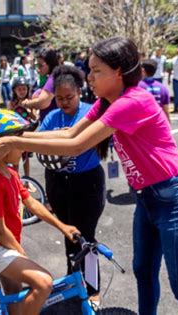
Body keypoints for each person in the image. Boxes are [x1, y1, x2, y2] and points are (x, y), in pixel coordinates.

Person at [0, 37, 178, 315]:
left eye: (97, 71)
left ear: (119, 71)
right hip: (148, 198)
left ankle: (107, 297)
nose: (90, 77)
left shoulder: (132, 101)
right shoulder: (107, 102)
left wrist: (17, 144)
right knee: (143, 271)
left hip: (176, 199)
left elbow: (76, 146)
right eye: (90, 70)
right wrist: (14, 134)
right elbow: (69, 133)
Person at [0, 109, 80, 315]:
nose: (23, 148)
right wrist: (21, 255)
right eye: (18, 143)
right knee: (44, 283)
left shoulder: (10, 172)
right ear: (1, 147)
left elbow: (31, 202)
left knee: (15, 302)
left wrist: (62, 226)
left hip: (6, 245)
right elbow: (0, 231)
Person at [38, 65, 105, 305]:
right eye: (59, 98)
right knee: (68, 233)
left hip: (87, 184)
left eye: (69, 97)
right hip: (58, 182)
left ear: (80, 92)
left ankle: (92, 288)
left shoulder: (91, 114)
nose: (64, 102)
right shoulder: (52, 117)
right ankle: (74, 280)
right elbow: (39, 142)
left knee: (86, 236)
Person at [8, 77, 36, 177]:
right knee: (15, 159)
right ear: (14, 91)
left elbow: (35, 117)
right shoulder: (12, 103)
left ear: (28, 89)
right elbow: (8, 117)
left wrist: (29, 110)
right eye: (19, 89)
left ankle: (27, 180)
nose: (22, 91)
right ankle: (17, 179)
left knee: (26, 158)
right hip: (16, 133)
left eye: (24, 89)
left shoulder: (30, 102)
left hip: (26, 133)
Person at [22, 48, 60, 122]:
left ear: (50, 63)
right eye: (37, 65)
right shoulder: (52, 76)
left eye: (40, 65)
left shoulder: (53, 78)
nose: (38, 69)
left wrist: (27, 103)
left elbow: (42, 102)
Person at [138, 59, 170, 123]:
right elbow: (166, 110)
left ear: (142, 70)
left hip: (142, 123)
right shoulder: (163, 88)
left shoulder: (137, 87)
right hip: (158, 123)